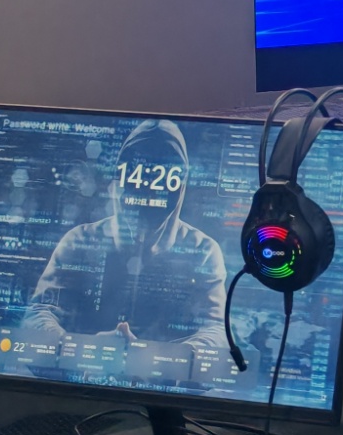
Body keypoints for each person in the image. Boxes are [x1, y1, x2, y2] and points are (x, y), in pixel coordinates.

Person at [22, 120, 228, 356]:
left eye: (160, 173)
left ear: (180, 186)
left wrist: (155, 359)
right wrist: (84, 350)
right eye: (138, 172)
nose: (147, 188)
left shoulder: (202, 251)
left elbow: (217, 333)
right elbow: (37, 315)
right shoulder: (80, 240)